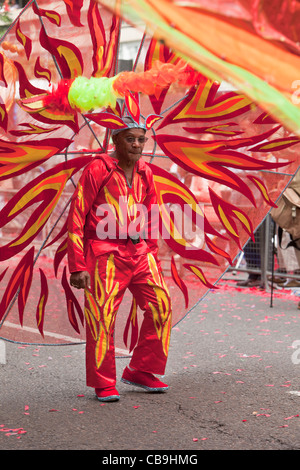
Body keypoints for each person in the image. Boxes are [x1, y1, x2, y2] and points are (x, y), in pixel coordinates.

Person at [67, 117, 172, 402]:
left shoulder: (145, 172)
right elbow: (77, 216)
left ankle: (141, 370)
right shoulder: (97, 169)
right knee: (101, 316)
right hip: (104, 254)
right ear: (116, 140)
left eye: (141, 139)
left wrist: (151, 251)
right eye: (130, 139)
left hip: (140, 253)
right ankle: (103, 382)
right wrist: (77, 265)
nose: (137, 144)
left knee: (161, 305)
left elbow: (150, 215)